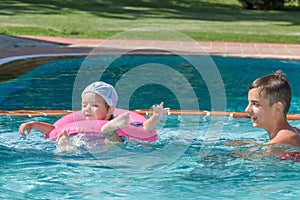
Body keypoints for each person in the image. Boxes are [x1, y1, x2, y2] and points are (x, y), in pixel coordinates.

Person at [19, 81, 167, 145]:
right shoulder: (77, 124)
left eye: (94, 105)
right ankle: (66, 147)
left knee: (114, 144)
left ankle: (109, 131)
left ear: (110, 109)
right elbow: (55, 130)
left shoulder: (123, 124)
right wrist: (34, 124)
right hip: (87, 145)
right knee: (66, 143)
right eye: (84, 105)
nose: (87, 109)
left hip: (111, 143)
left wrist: (155, 117)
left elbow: (144, 129)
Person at [245, 70, 300, 146]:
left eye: (255, 104)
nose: (247, 109)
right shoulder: (292, 132)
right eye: (249, 103)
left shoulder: (282, 141)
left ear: (277, 108)